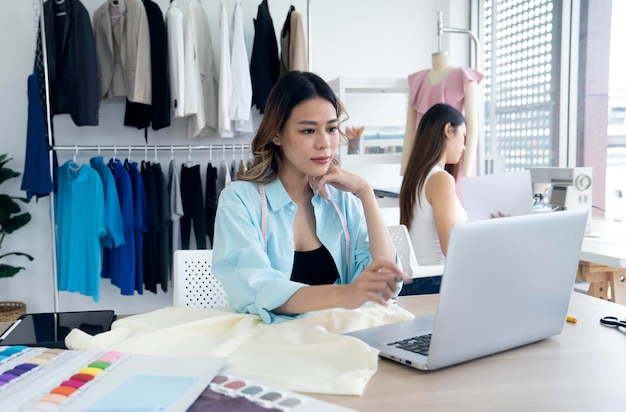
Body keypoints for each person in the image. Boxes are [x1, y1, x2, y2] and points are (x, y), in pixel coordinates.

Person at [212, 71, 405, 324]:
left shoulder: (342, 200)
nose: (325, 143)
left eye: (332, 128)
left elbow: (384, 284)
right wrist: (345, 294)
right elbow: (258, 289)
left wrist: (366, 194)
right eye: (308, 131)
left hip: (339, 339)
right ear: (276, 134)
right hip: (271, 347)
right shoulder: (239, 201)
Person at [398, 103, 469, 295]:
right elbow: (451, 247)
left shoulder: (416, 176)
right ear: (448, 130)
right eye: (463, 137)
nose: (464, 147)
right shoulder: (441, 179)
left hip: (414, 283)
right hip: (435, 281)